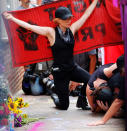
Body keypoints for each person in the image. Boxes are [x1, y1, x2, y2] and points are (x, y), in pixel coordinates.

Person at [3, 0, 98, 110]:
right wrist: (12, 18)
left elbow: (86, 15)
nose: (69, 20)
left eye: (70, 18)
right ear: (58, 20)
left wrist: (95, 1)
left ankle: (81, 100)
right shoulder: (51, 32)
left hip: (72, 68)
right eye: (66, 19)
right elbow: (30, 27)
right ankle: (55, 97)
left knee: (91, 80)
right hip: (60, 73)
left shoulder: (72, 28)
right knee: (64, 106)